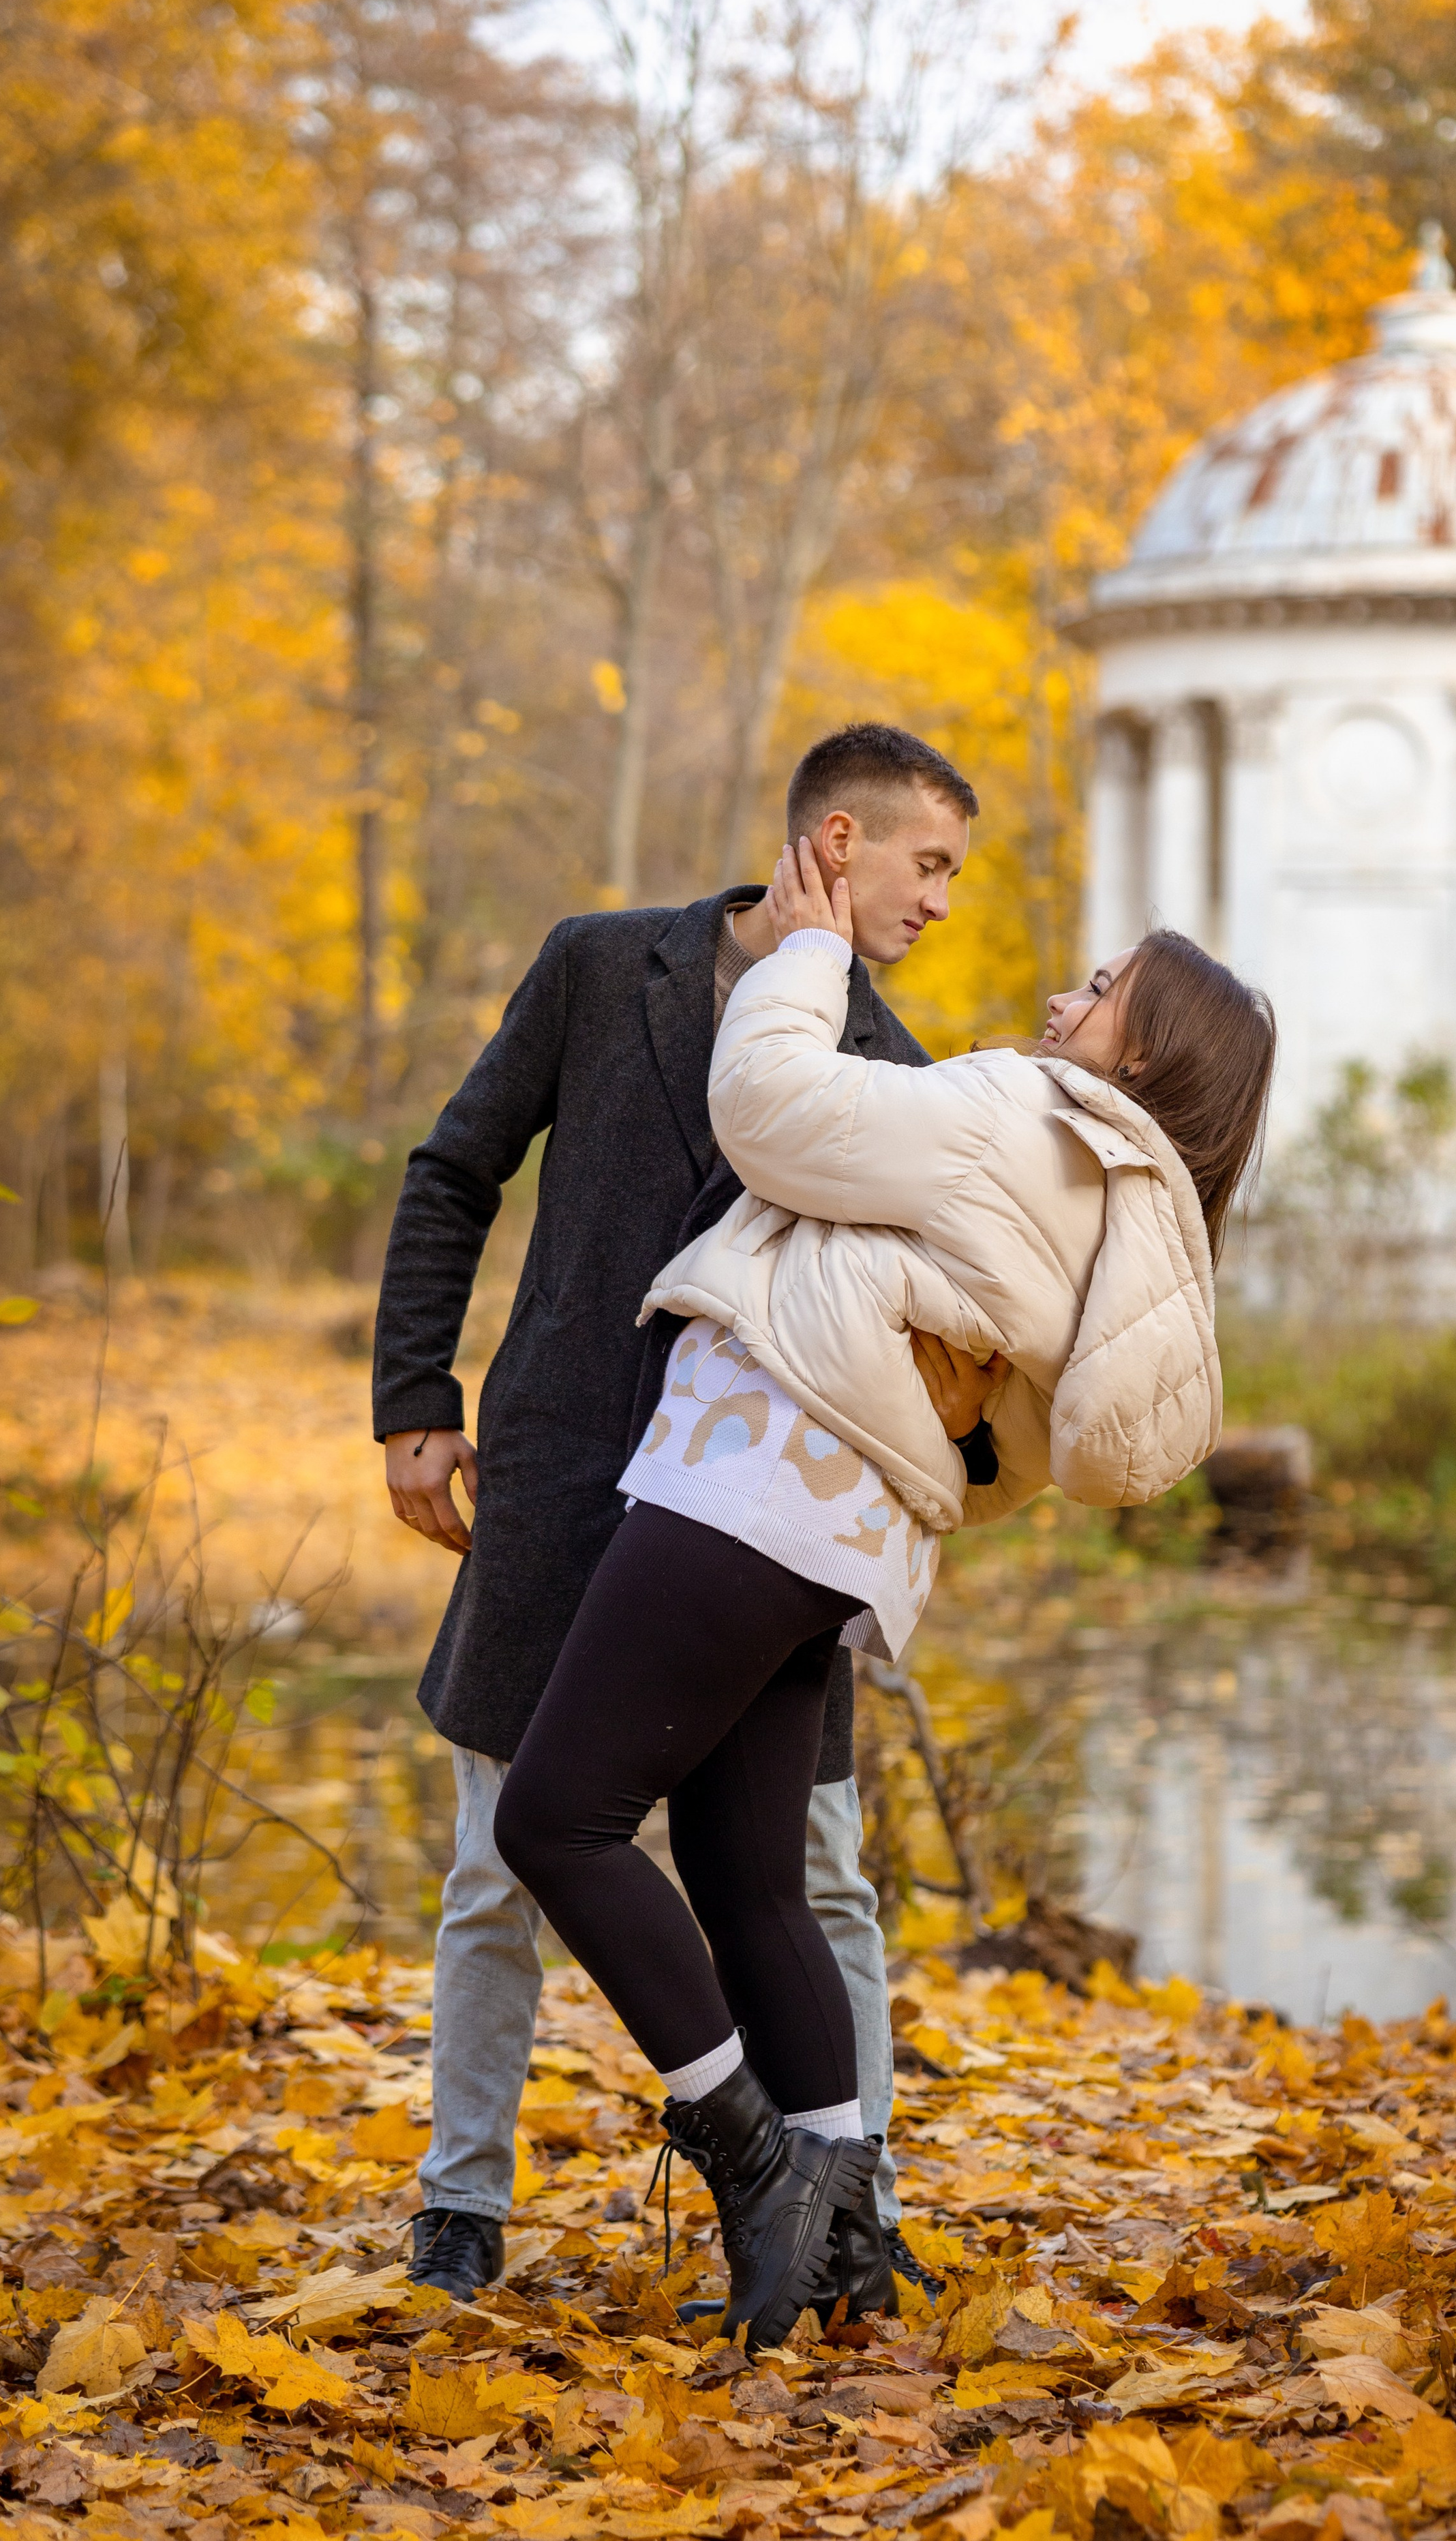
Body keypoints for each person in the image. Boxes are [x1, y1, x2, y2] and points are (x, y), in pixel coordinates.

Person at [491, 844, 1277, 2349]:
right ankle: (841, 2233)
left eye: (1102, 987)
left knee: (556, 1818)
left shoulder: (1019, 1114)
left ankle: (753, 2156)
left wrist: (804, 952)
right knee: (747, 1879)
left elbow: (774, 1114)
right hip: (843, 1527)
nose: (1065, 995)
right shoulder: (1125, 1210)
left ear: (1149, 1046)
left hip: (760, 1468)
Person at [372, 723, 997, 2303]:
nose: (941, 905)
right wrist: (414, 1403)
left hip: (758, 1534)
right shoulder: (599, 968)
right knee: (493, 1868)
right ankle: (461, 2214)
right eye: (928, 866)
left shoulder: (895, 1072)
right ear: (838, 843)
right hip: (560, 1483)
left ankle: (850, 2208)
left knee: (821, 1871)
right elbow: (455, 1171)